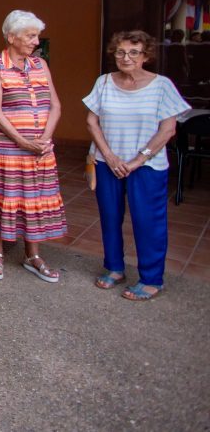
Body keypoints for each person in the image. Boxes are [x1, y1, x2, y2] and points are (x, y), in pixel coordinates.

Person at [83, 30, 189, 301]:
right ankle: (115, 268)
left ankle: (152, 279)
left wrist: (136, 160)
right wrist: (109, 156)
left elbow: (167, 130)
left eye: (133, 52)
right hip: (108, 163)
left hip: (147, 167)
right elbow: (92, 121)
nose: (126, 57)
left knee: (148, 222)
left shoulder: (162, 85)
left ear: (146, 56)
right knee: (109, 217)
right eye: (120, 52)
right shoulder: (104, 82)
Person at [0, 10, 67, 283]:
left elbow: (56, 105)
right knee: (0, 198)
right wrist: (23, 141)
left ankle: (32, 255)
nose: (36, 41)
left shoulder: (40, 65)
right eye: (30, 35)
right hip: (6, 149)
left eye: (36, 36)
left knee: (34, 201)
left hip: (39, 149)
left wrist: (44, 140)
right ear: (11, 37)